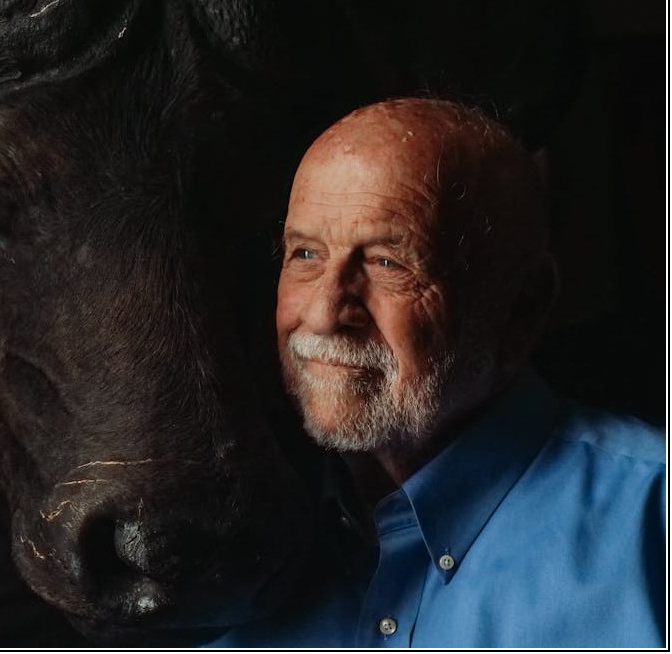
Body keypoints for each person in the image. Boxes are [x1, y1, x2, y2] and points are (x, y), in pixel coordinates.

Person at [210, 98, 666, 647]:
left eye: (387, 262)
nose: (325, 312)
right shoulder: (230, 531)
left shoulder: (651, 522)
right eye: (305, 254)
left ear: (522, 308)